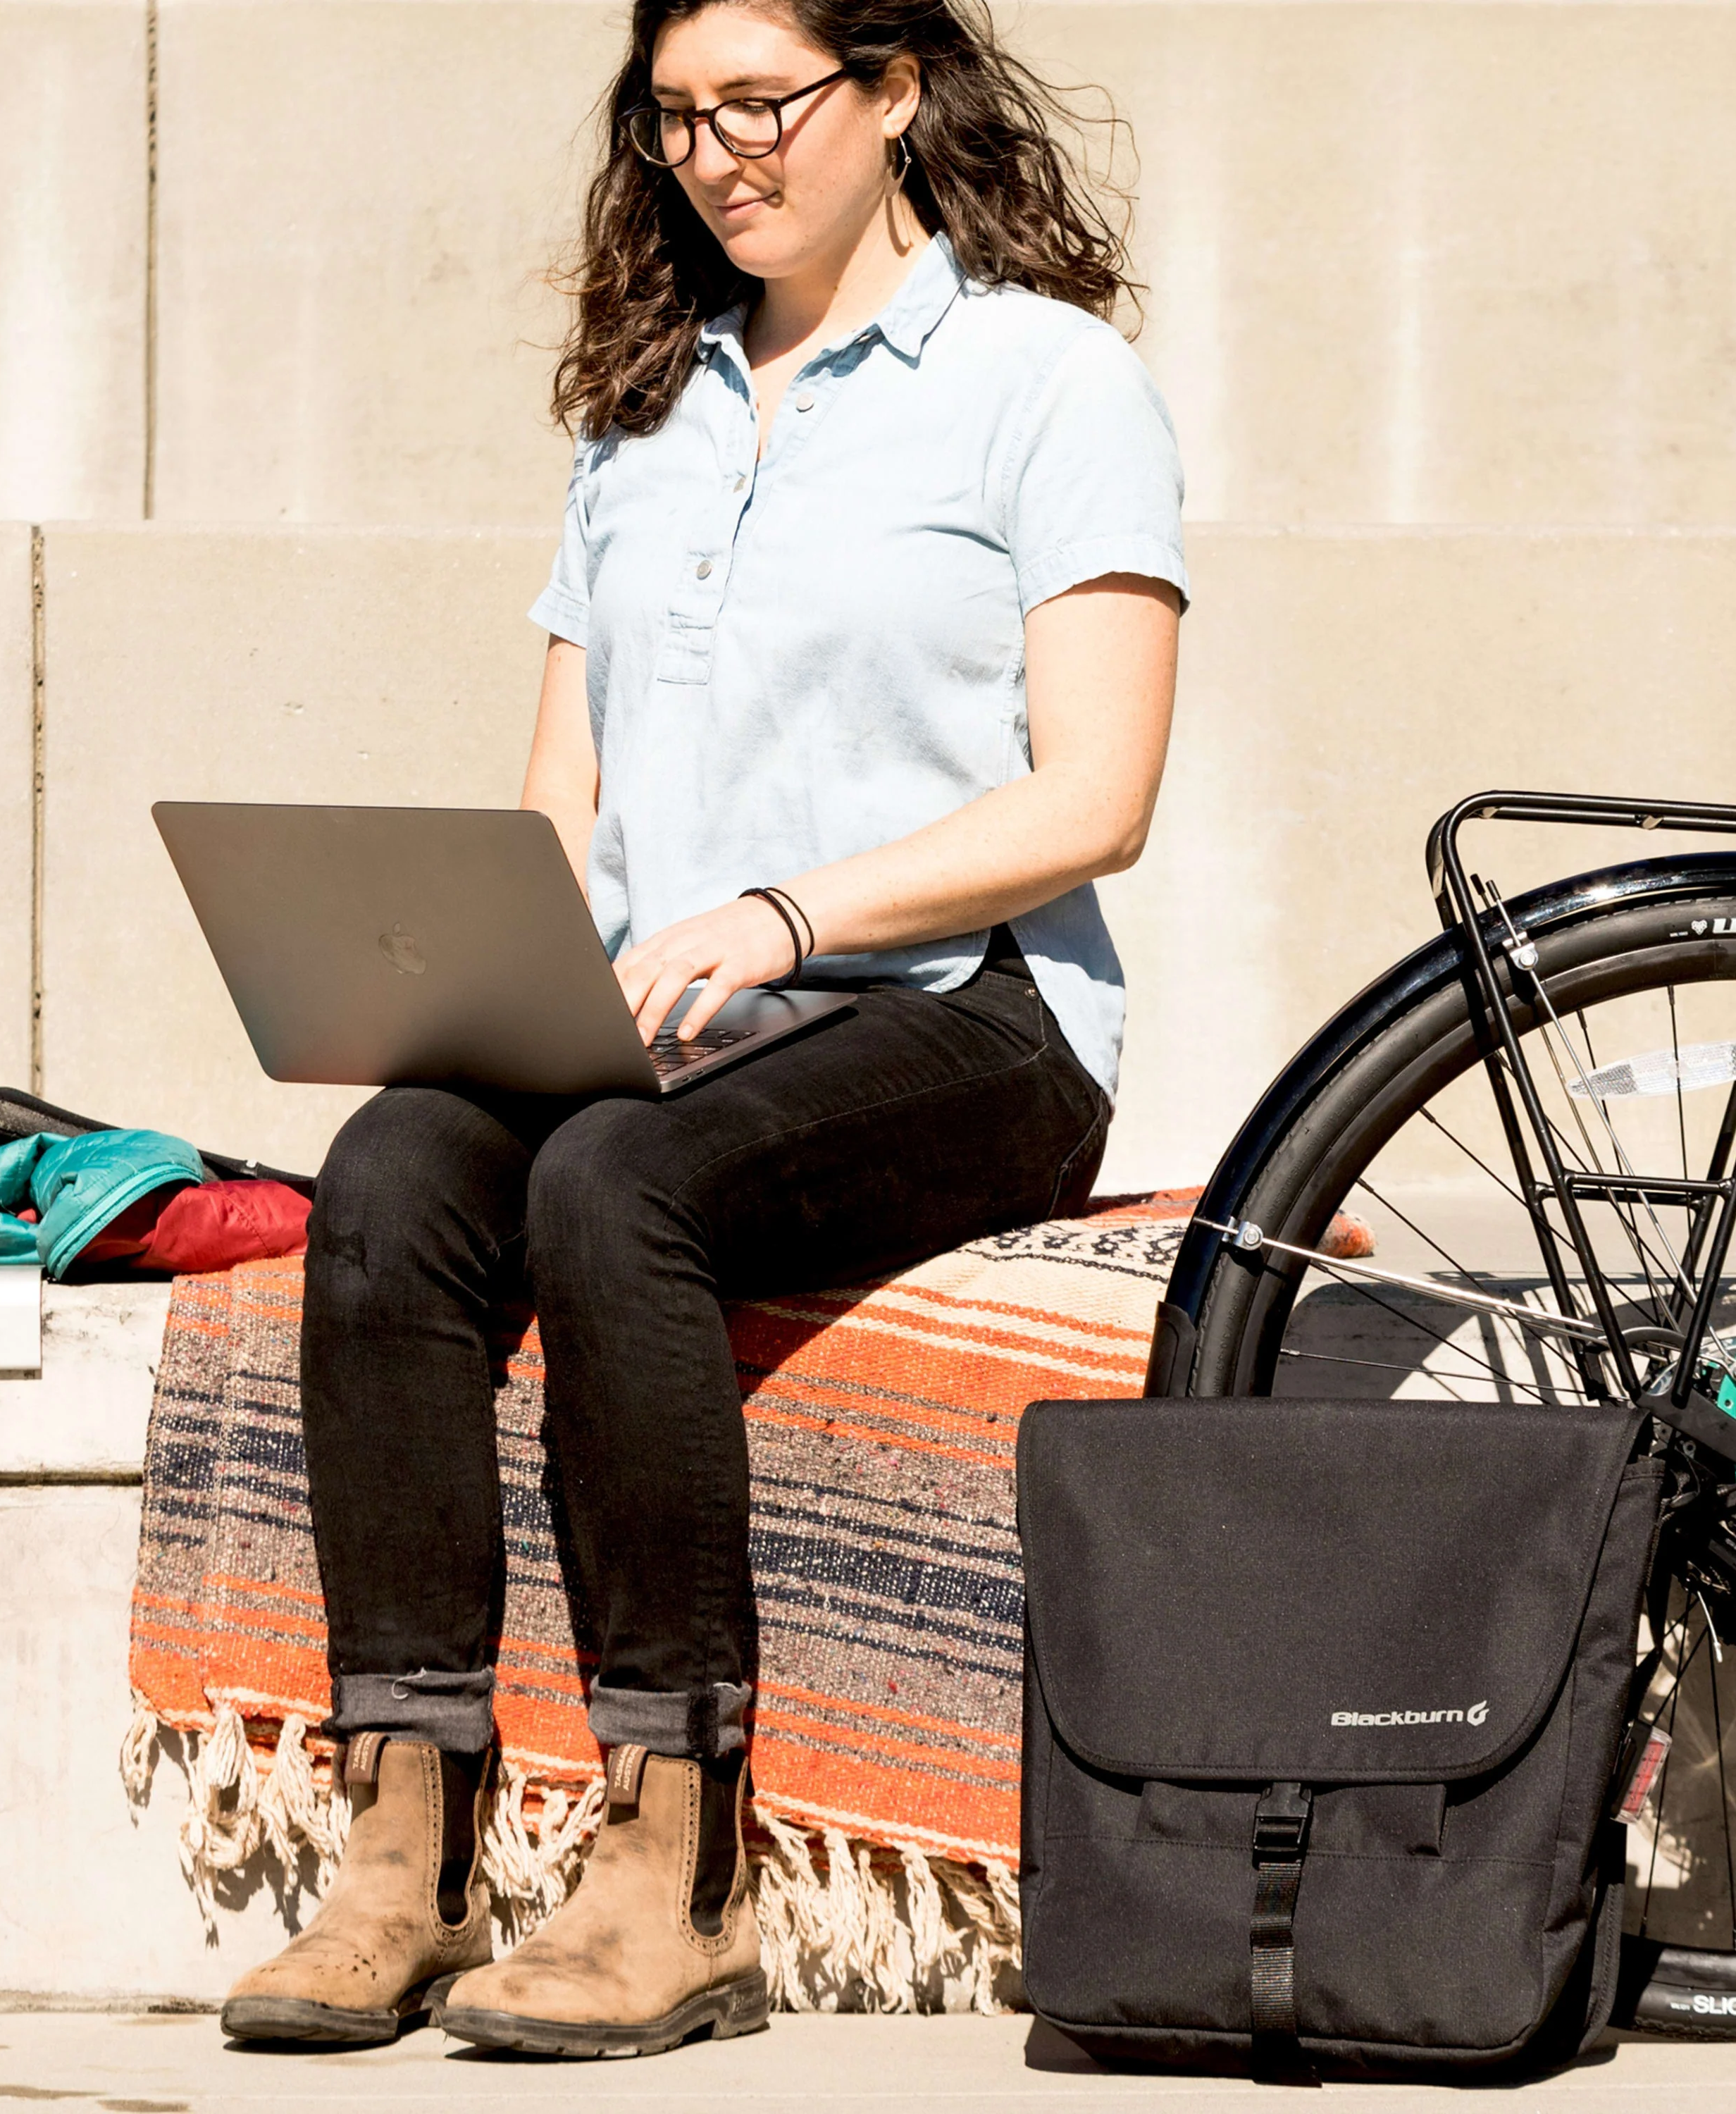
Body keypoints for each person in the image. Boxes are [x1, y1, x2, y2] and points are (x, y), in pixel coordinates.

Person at [222, 0, 1184, 2060]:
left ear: (896, 91)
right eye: (675, 118)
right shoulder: (645, 412)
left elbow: (1096, 797)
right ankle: (406, 1839)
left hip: (970, 1015)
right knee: (393, 1172)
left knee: (613, 1182)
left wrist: (788, 913)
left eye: (762, 103)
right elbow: (564, 805)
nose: (718, 154)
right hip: (677, 1018)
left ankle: (681, 1860)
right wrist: (472, 976)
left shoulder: (1049, 382)